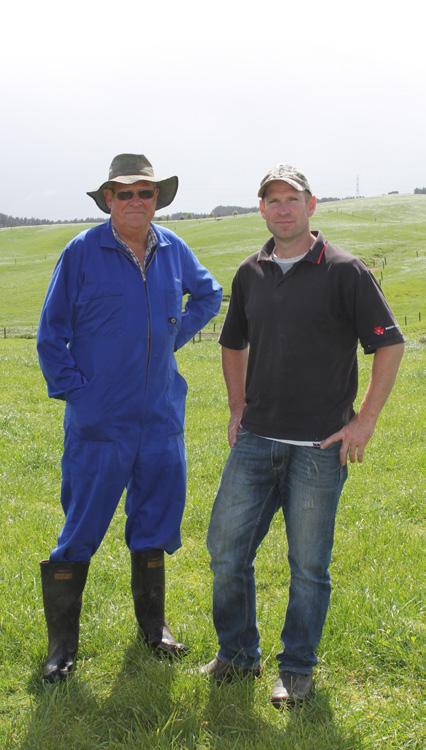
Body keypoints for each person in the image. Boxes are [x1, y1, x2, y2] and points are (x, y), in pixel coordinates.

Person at [202, 164, 404, 707]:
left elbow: (389, 344)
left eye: (292, 199)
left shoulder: (345, 271)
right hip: (255, 442)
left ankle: (296, 670)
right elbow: (232, 343)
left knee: (308, 566)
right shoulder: (250, 272)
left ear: (311, 206)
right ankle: (237, 655)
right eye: (272, 200)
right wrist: (237, 405)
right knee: (225, 550)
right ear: (262, 209)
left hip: (319, 448)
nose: (283, 208)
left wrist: (364, 421)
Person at [37, 153, 222, 682]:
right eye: (125, 193)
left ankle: (154, 630)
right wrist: (79, 394)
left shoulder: (173, 248)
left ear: (157, 198)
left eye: (146, 192)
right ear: (109, 200)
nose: (137, 201)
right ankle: (61, 650)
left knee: (155, 521)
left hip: (160, 415)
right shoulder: (82, 252)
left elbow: (209, 295)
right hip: (100, 421)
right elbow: (51, 334)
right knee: (81, 526)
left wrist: (171, 337)